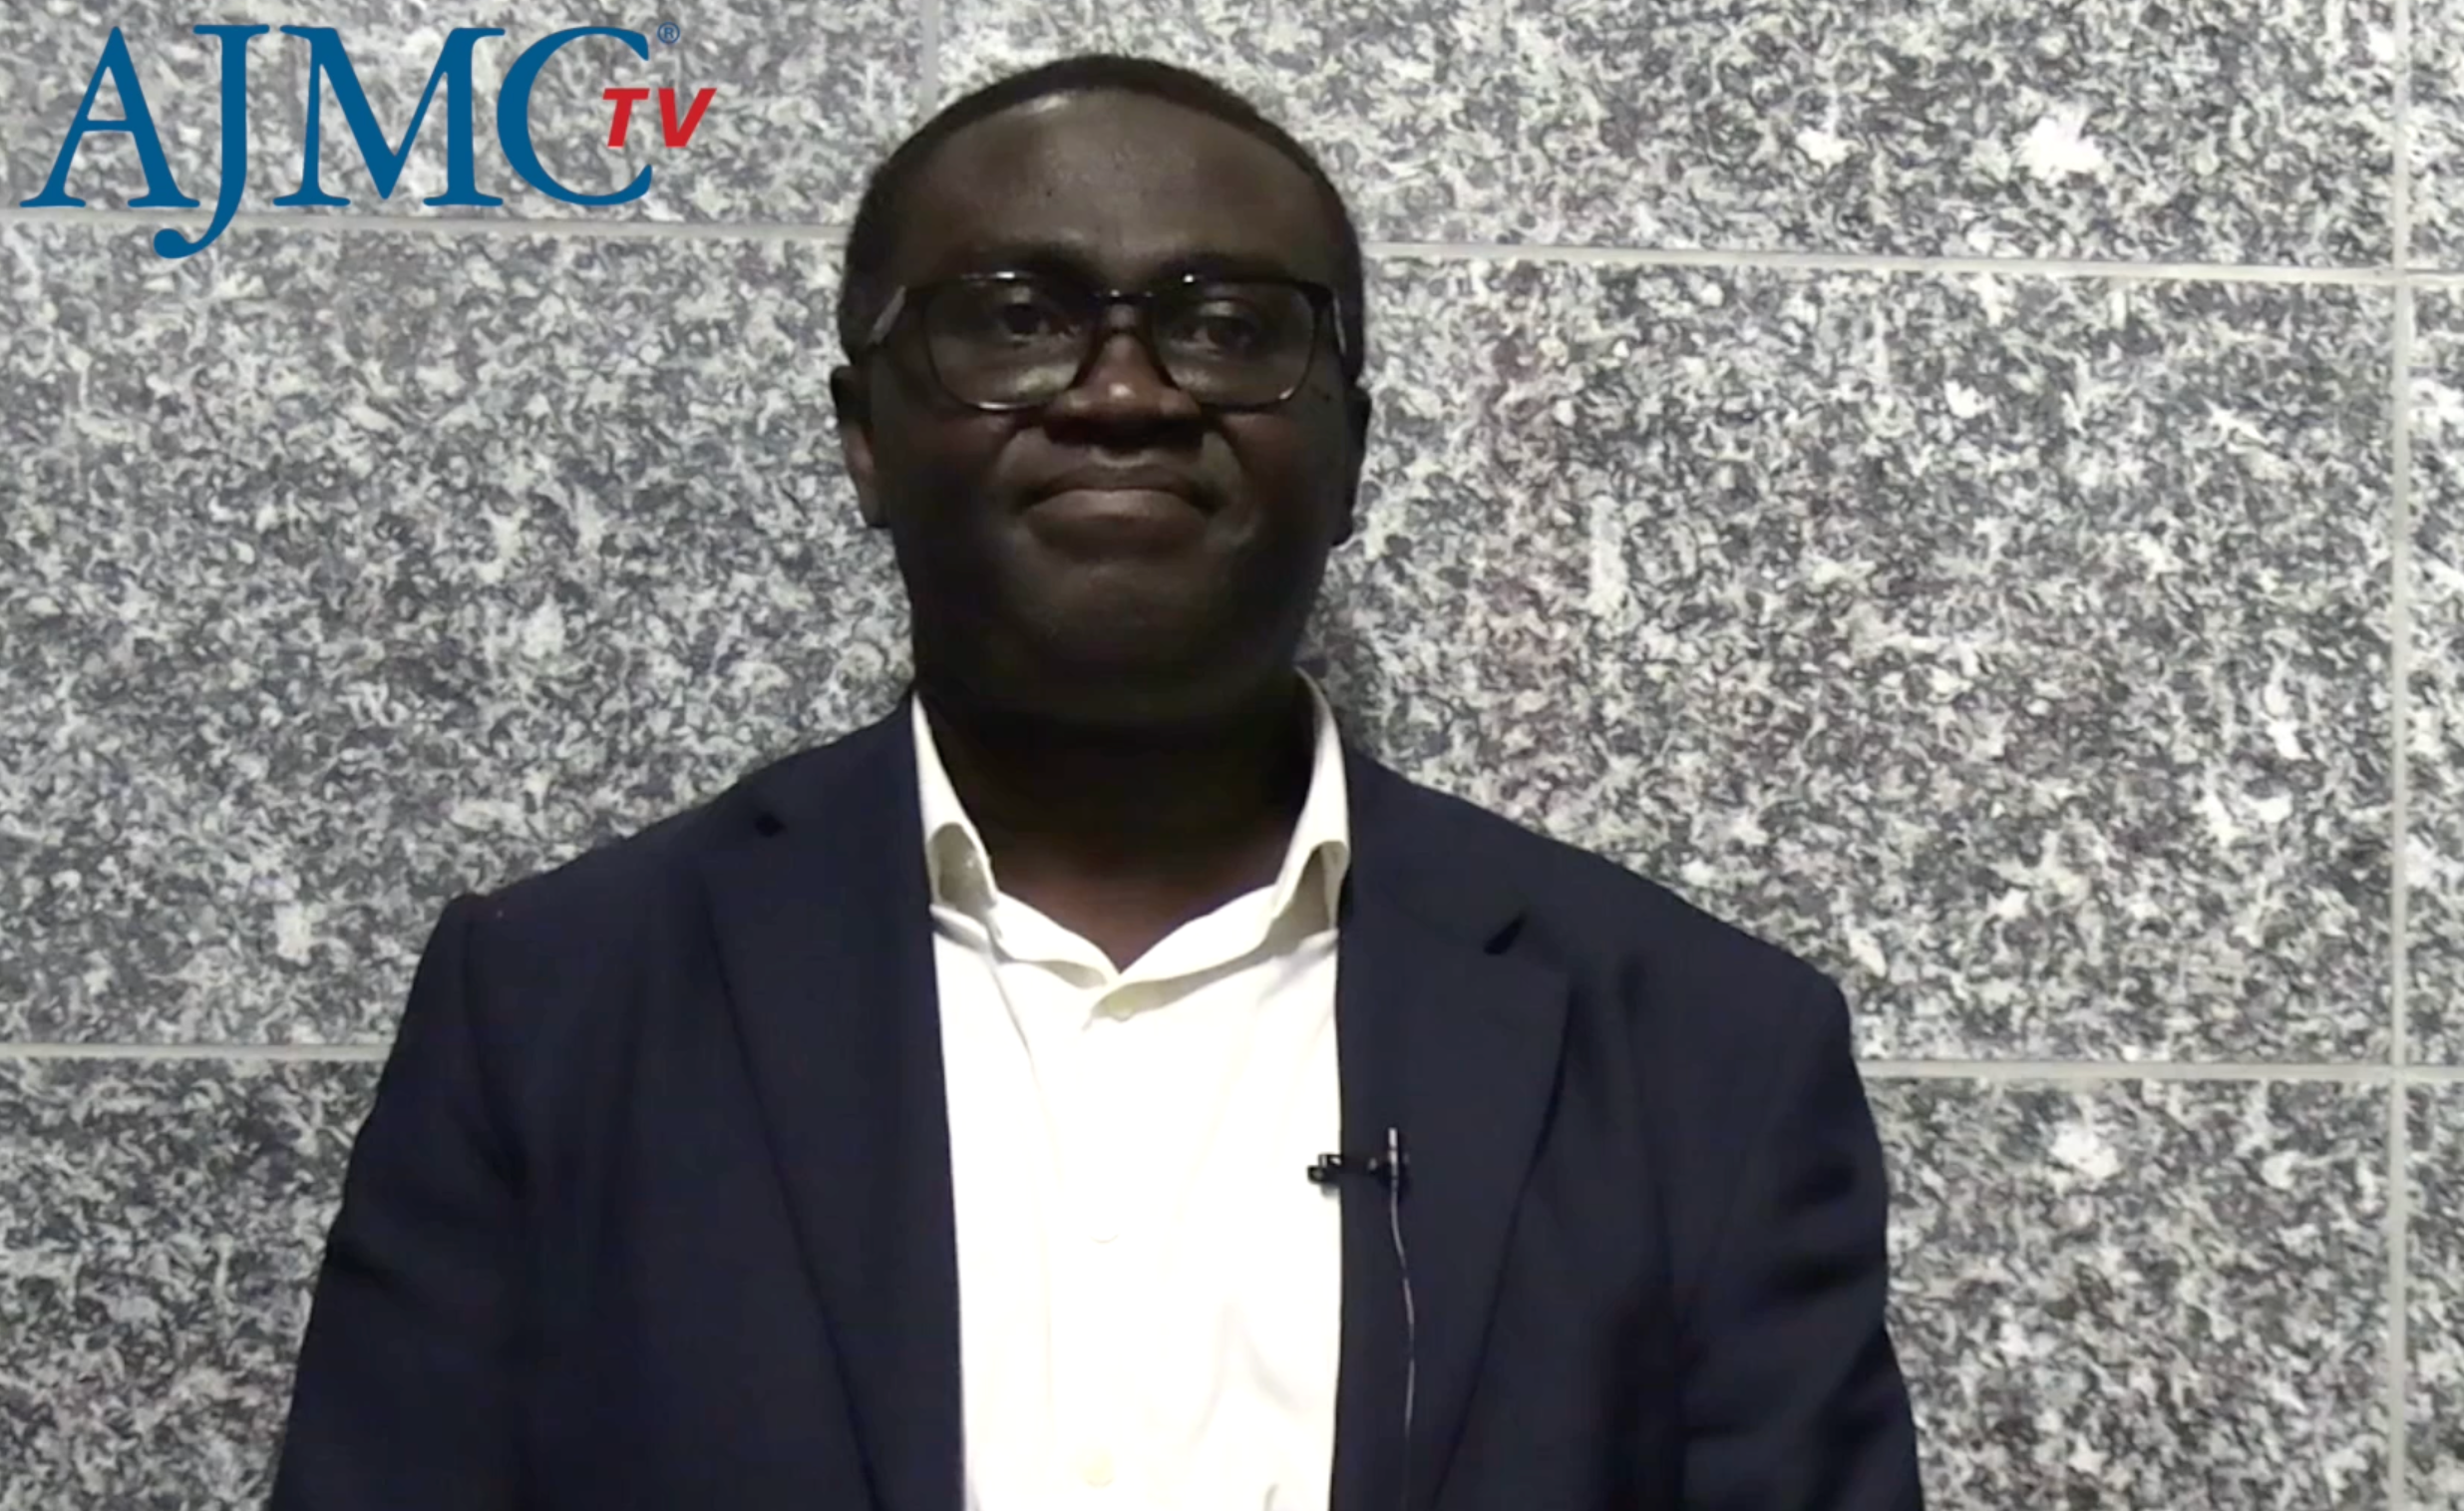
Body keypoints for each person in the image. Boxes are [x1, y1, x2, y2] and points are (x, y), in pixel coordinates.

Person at [269, 53, 1925, 1511]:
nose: (1124, 393)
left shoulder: (1701, 1047)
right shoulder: (552, 1008)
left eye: (1226, 326)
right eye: (1015, 319)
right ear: (863, 435)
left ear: (1352, 449)